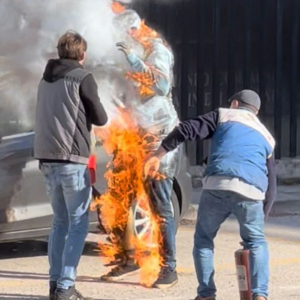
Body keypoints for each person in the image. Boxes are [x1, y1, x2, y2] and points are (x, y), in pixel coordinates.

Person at [144, 90, 276, 300]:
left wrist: (158, 155)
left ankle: (206, 294)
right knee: (256, 242)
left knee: (204, 240)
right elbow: (272, 188)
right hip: (252, 191)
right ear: (256, 112)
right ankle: (260, 296)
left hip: (217, 184)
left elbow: (186, 129)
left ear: (234, 103)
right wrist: (262, 218)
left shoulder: (224, 115)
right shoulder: (266, 136)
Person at [100, 8, 180, 289]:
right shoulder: (128, 53)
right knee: (118, 198)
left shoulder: (156, 50)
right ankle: (127, 258)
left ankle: (169, 268)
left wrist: (133, 59)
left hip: (159, 138)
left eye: (123, 34)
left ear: (133, 31)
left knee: (159, 205)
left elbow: (160, 85)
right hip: (135, 135)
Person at [34, 30, 108, 300]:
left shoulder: (45, 79)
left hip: (47, 158)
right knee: (78, 223)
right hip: (72, 159)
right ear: (82, 54)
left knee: (59, 222)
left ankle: (55, 284)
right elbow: (100, 117)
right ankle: (66, 286)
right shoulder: (82, 77)